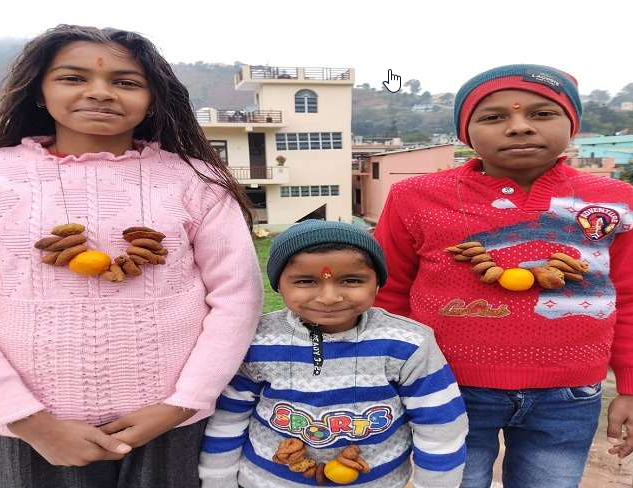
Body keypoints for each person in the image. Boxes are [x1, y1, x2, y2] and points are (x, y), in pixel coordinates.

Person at [0, 24, 263, 488]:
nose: (100, 93)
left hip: (170, 424)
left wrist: (183, 403)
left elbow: (237, 296)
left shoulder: (196, 182)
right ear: (39, 92)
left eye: (126, 82)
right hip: (30, 432)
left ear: (154, 98)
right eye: (73, 78)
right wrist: (29, 421)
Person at [373, 64, 633, 488]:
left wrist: (630, 385)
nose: (519, 127)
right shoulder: (413, 198)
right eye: (493, 117)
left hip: (569, 395)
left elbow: (628, 293)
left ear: (573, 124)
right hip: (444, 388)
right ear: (465, 132)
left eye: (542, 113)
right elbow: (390, 294)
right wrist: (385, 375)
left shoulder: (615, 200)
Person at [199, 220, 468, 488]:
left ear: (378, 283)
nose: (329, 297)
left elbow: (441, 426)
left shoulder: (408, 343)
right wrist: (217, 481)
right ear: (278, 285)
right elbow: (228, 418)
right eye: (305, 281)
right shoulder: (255, 340)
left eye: (352, 280)